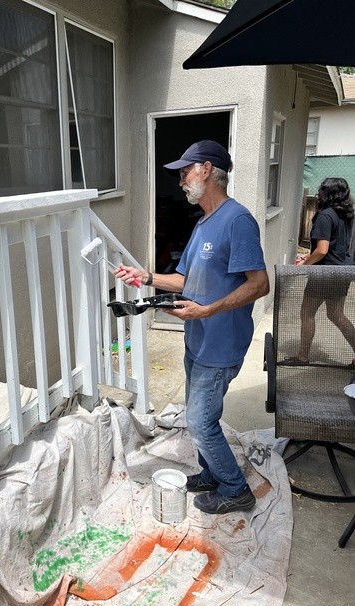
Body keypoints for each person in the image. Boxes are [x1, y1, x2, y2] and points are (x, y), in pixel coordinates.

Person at [116, 140, 269, 515]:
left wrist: (207, 310)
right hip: (197, 341)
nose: (181, 180)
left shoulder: (237, 220)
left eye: (185, 172)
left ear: (207, 170)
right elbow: (185, 280)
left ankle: (235, 489)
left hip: (221, 344)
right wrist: (146, 277)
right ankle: (211, 474)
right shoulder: (203, 224)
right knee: (200, 416)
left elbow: (260, 284)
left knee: (200, 423)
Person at [286, 177, 355, 366]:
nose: (318, 194)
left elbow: (322, 250)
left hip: (324, 274)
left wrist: (305, 265)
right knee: (336, 315)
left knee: (307, 312)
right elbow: (333, 246)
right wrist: (308, 257)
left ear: (329, 194)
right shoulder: (346, 215)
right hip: (341, 272)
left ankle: (302, 358)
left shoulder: (325, 215)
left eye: (322, 190)